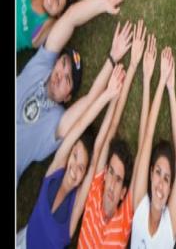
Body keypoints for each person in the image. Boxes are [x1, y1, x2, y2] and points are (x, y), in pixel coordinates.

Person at [16, 0, 126, 184]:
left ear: (67, 97)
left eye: (67, 79)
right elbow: (69, 19)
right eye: (62, 64)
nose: (60, 74)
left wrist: (112, 58)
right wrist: (102, 2)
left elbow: (90, 98)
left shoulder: (57, 122)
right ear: (55, 62)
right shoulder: (41, 65)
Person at [16, 64, 124, 249]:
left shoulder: (75, 207)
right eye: (74, 156)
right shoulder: (54, 173)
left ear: (84, 176)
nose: (74, 168)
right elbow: (81, 123)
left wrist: (114, 98)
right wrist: (107, 94)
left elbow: (97, 151)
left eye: (81, 168)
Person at [78, 21, 155, 247]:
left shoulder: (125, 220)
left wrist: (140, 71)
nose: (110, 182)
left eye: (118, 179)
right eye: (111, 172)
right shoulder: (94, 191)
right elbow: (111, 128)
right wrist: (130, 68)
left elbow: (143, 152)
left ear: (124, 192)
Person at [130, 47, 176, 247]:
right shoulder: (140, 207)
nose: (161, 184)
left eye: (167, 178)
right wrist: (161, 82)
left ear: (171, 188)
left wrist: (169, 89)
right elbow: (147, 136)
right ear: (150, 173)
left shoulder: (170, 227)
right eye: (159, 173)